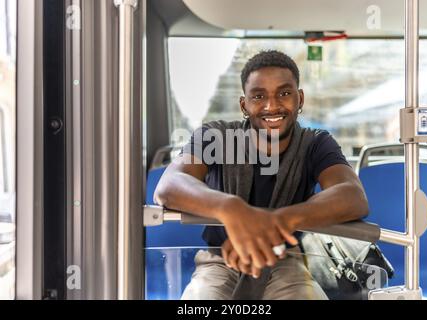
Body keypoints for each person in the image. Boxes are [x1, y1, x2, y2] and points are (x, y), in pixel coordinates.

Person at [154, 50, 369, 300]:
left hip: (286, 258)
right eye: (258, 96)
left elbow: (353, 196)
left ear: (300, 99)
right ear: (244, 105)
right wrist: (233, 209)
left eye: (284, 93)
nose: (272, 105)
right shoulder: (215, 136)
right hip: (220, 259)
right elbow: (169, 185)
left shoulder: (316, 143)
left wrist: (275, 223)